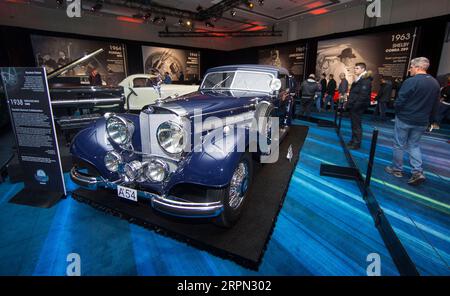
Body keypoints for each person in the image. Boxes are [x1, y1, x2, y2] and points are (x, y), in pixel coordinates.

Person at [385, 57, 441, 186]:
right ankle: (418, 171)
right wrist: (431, 121)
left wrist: (397, 111)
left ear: (417, 67)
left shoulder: (411, 81)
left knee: (399, 144)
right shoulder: (435, 83)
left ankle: (397, 170)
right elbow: (435, 105)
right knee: (414, 145)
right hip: (422, 121)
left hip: (405, 118)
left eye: (411, 67)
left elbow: (400, 100)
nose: (410, 70)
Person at [346, 62, 373, 150]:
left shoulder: (365, 80)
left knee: (356, 125)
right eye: (355, 68)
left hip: (357, 107)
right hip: (355, 106)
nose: (355, 69)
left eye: (357, 68)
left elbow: (362, 96)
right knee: (354, 124)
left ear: (362, 69)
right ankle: (354, 140)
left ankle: (356, 143)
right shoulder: (360, 79)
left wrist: (354, 107)